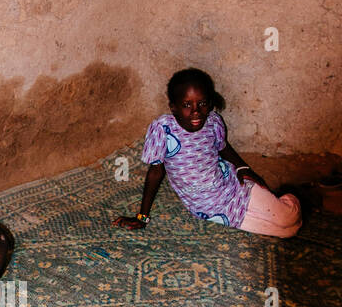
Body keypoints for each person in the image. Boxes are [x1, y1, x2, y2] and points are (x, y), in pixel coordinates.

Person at [115, 68, 302, 237]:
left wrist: (243, 168)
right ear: (173, 107)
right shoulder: (163, 129)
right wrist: (142, 217)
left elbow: (223, 147)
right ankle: (283, 198)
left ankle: (291, 195)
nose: (196, 112)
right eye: (187, 105)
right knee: (288, 231)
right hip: (208, 207)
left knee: (288, 217)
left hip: (231, 184)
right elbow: (156, 172)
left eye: (202, 103)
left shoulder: (213, 121)